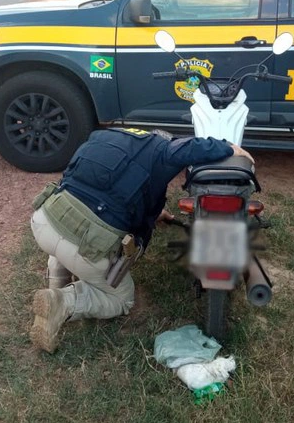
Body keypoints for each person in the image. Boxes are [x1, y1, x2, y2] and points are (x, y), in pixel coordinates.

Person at [29, 128, 254, 353]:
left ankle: (56, 279)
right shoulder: (162, 148)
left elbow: (96, 183)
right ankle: (63, 301)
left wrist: (155, 212)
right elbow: (191, 148)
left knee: (69, 219)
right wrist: (230, 147)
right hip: (86, 248)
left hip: (44, 221)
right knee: (121, 300)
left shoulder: (105, 135)